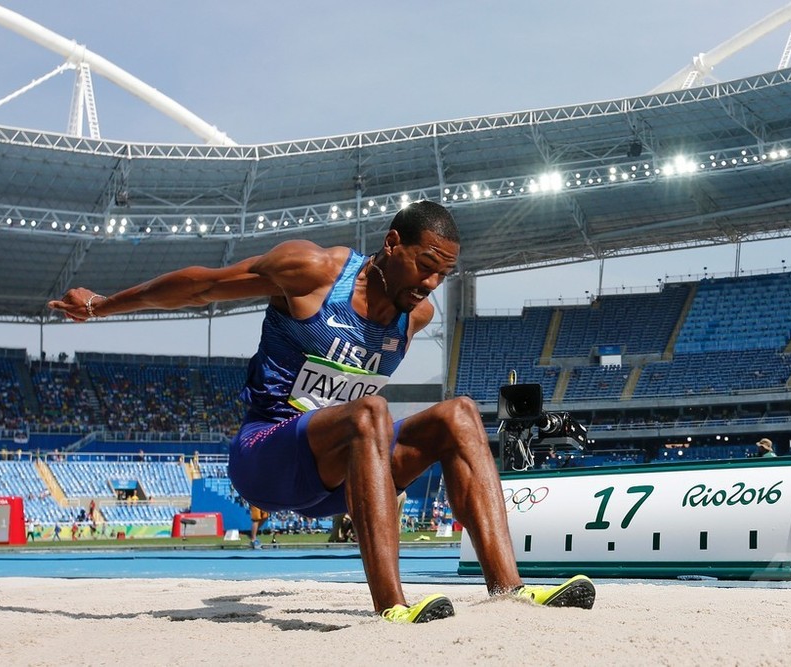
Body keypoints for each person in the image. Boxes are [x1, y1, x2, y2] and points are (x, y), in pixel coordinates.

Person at [49, 200, 595, 623]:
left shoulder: (417, 316)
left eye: (442, 276)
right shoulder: (311, 271)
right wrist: (102, 305)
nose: (430, 285)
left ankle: (509, 589)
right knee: (369, 412)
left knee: (461, 414)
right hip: (265, 458)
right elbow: (205, 287)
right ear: (391, 244)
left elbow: (387, 404)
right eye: (424, 266)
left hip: (342, 476)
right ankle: (391, 608)